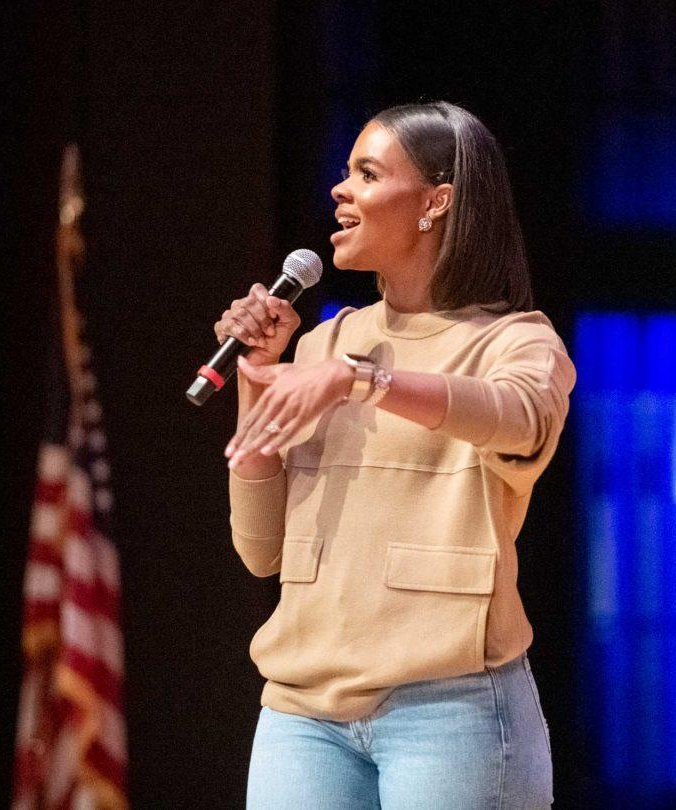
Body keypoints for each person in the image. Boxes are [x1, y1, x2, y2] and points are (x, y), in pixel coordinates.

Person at [214, 102, 574, 809]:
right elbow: (262, 551)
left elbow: (525, 419)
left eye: (367, 174)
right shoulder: (321, 345)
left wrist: (364, 380)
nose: (339, 190)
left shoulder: (516, 342)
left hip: (452, 709)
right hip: (302, 713)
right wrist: (258, 376)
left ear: (436, 202)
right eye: (346, 173)